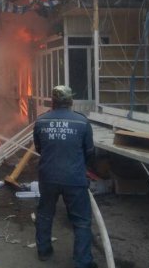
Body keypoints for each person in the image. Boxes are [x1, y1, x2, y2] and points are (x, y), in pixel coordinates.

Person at [33, 85, 97, 268]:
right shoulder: (82, 122)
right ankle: (82, 262)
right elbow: (89, 152)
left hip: (48, 177)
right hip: (74, 178)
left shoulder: (41, 122)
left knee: (45, 214)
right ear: (71, 101)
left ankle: (44, 251)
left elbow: (39, 148)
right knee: (82, 220)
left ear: (52, 102)